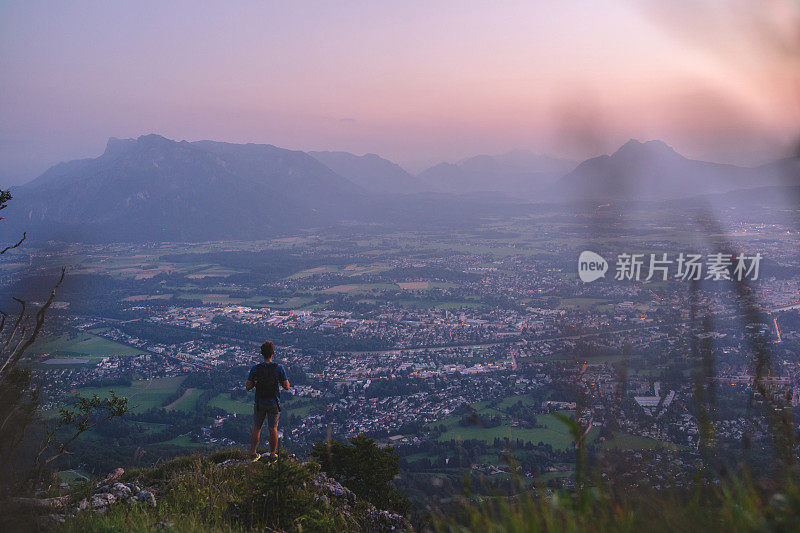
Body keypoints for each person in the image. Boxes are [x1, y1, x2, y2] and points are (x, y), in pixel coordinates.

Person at [245, 340, 290, 462]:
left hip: (259, 402)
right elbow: (287, 386)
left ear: (262, 353)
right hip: (273, 403)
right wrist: (278, 380)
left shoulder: (256, 368)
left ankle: (253, 454)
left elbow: (248, 386)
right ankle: (272, 455)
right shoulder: (279, 368)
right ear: (273, 353)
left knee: (257, 427)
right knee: (273, 428)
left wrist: (256, 381)